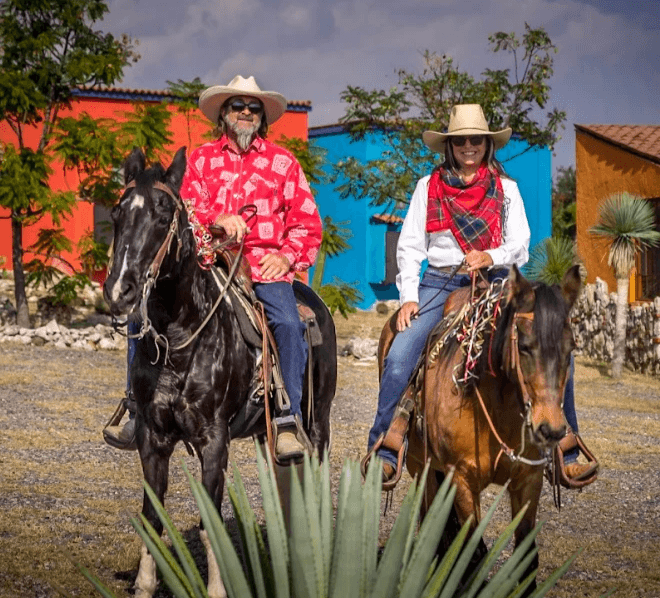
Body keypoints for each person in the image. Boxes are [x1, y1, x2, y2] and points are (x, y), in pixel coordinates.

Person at [365, 104, 598, 486]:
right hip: (440, 282)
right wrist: (409, 296)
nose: (469, 146)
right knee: (401, 352)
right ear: (450, 145)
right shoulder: (429, 186)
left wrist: (490, 255)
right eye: (461, 141)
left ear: (488, 145)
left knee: (549, 342)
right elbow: (409, 246)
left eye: (476, 140)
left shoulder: (507, 190)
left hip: (498, 282)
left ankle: (566, 447)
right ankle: (387, 445)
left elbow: (521, 244)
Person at [105, 75, 323, 464]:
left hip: (262, 267)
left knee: (289, 324)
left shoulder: (283, 162)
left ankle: (287, 420)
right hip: (207, 260)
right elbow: (179, 213)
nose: (244, 113)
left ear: (262, 117)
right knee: (143, 315)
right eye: (236, 106)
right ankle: (135, 408)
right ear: (223, 114)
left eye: (252, 107)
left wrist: (287, 258)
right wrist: (218, 219)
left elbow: (308, 223)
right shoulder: (201, 160)